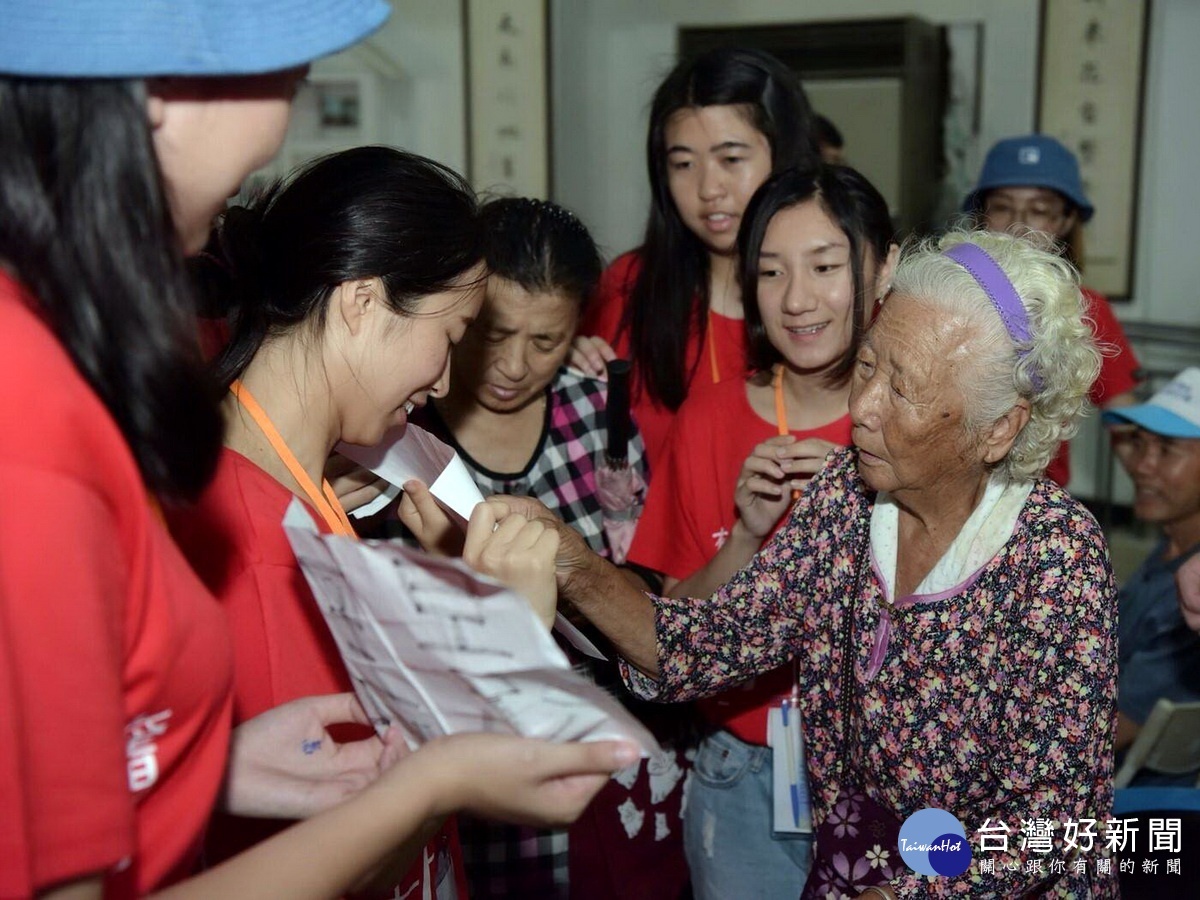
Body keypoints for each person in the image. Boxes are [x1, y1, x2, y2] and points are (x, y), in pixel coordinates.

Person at [0, 4, 638, 898]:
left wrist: (216, 770)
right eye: (452, 333)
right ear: (363, 302)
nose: (284, 113)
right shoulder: (179, 485)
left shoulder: (314, 481)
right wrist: (496, 660)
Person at [499, 229, 1119, 898]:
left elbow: (1055, 825)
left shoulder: (1056, 557)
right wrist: (575, 567)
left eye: (901, 389)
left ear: (999, 428)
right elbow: (704, 647)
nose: (861, 407)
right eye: (867, 366)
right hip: (851, 869)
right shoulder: (846, 497)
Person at [172, 147, 589, 898]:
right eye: (453, 337)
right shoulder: (259, 545)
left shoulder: (296, 480)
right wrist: (501, 644)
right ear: (363, 302)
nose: (442, 382)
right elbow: (344, 861)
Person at [395, 195, 689, 898]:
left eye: (546, 341)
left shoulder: (596, 413)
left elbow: (643, 575)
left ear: (580, 328)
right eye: (494, 334)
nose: (513, 365)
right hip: (474, 760)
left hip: (607, 754)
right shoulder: (405, 428)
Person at [625, 164, 897, 898]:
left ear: (886, 263)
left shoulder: (920, 423)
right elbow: (672, 628)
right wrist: (746, 536)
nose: (798, 300)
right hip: (742, 770)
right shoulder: (711, 417)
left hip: (895, 775)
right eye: (771, 272)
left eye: (826, 266)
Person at [570, 46, 819, 470]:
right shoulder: (629, 287)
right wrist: (561, 362)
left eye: (731, 159)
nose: (708, 188)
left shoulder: (829, 297)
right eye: (683, 164)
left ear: (784, 155)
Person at [964, 133, 1141, 486]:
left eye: (1040, 210)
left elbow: (1124, 415)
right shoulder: (946, 295)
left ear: (1064, 221)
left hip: (1035, 502)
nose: (1018, 223)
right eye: (1002, 206)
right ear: (982, 216)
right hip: (947, 491)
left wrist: (1163, 480)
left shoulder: (1086, 309)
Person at [1101, 368, 1200, 776]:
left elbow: (1109, 731)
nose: (1141, 466)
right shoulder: (1172, 547)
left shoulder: (1190, 595)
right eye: (1140, 445)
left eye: (1167, 450)